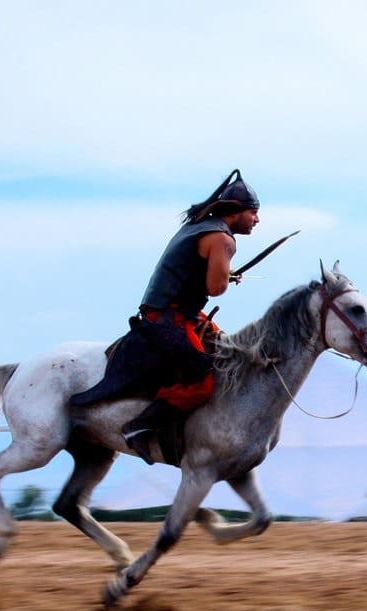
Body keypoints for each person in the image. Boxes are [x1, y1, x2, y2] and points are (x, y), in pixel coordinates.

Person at [70, 169, 260, 464]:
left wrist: (225, 271)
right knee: (204, 380)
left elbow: (194, 273)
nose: (257, 220)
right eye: (254, 213)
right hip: (169, 318)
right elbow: (215, 288)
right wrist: (225, 275)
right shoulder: (222, 240)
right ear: (236, 212)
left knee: (227, 349)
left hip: (181, 312)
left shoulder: (198, 227)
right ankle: (139, 427)